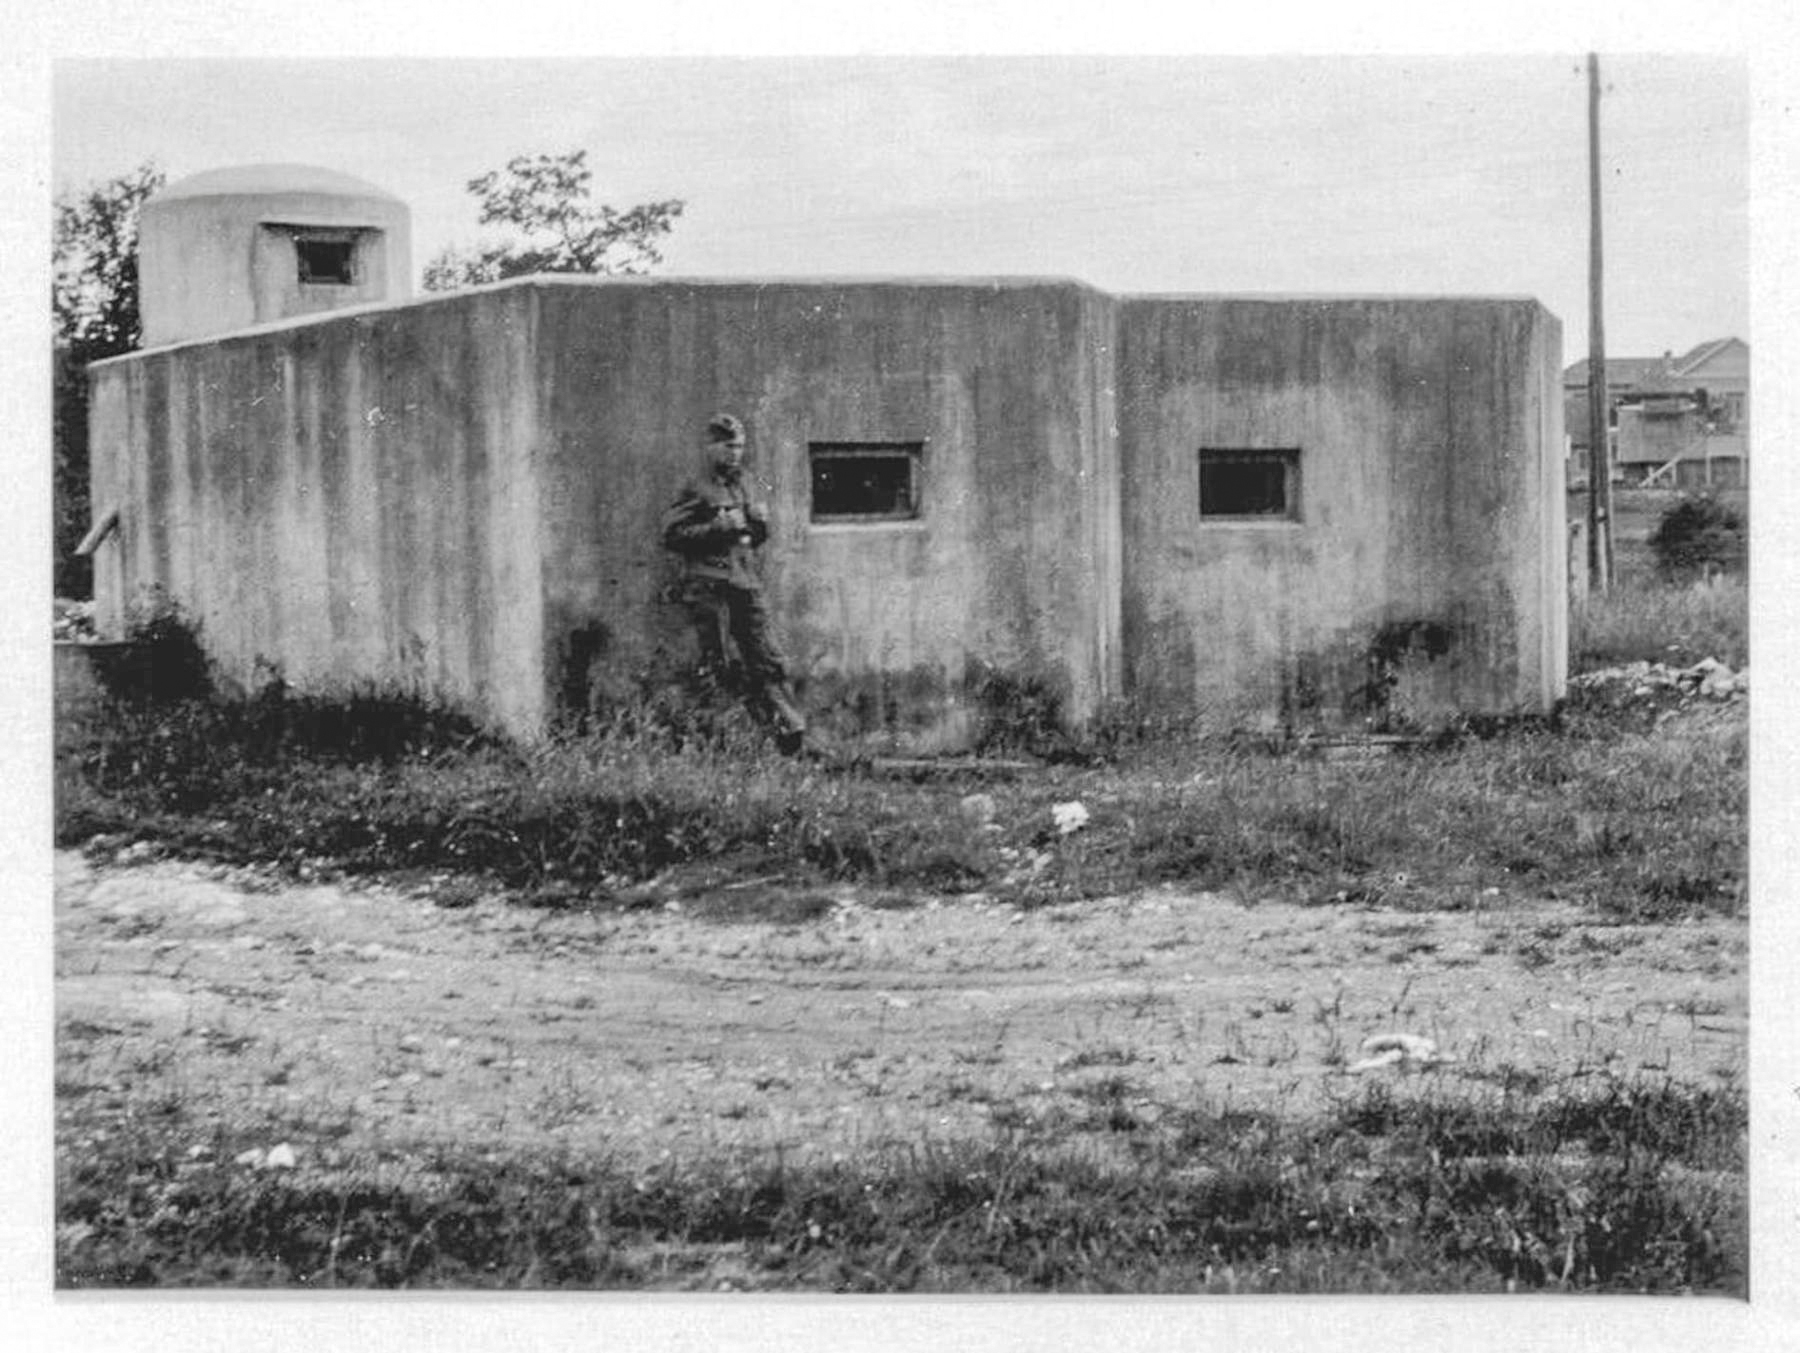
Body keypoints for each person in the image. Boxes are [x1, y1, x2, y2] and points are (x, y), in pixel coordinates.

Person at [662, 413, 809, 753]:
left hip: (744, 582)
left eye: (739, 447)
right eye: (728, 447)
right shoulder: (695, 486)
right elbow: (671, 535)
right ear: (711, 447)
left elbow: (752, 537)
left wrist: (758, 526)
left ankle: (790, 736)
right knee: (718, 664)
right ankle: (713, 742)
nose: (735, 454)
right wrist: (720, 527)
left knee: (767, 658)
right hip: (710, 586)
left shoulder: (744, 483)